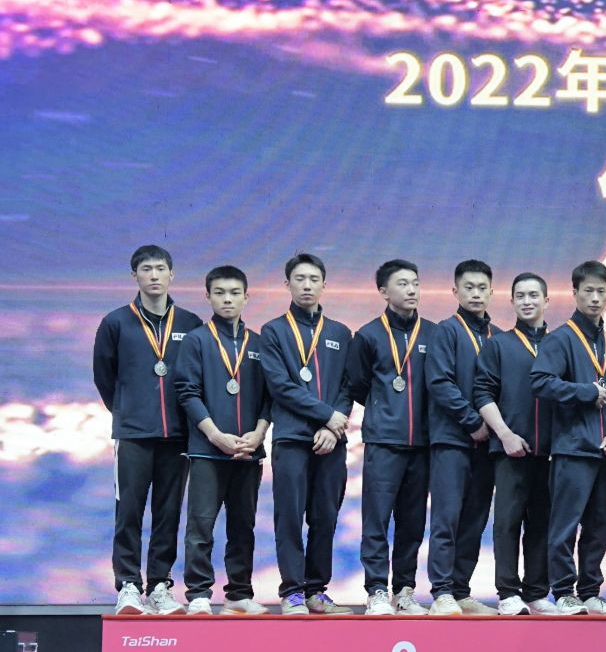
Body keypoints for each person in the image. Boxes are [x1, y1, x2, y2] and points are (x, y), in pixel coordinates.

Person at [93, 243, 203, 614]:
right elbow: (104, 376)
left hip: (178, 436)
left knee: (168, 513)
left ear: (172, 274)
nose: (154, 276)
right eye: (146, 269)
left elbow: (198, 377)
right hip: (133, 435)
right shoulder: (115, 322)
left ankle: (159, 585)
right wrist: (128, 411)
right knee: (129, 512)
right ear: (134, 276)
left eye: (160, 269)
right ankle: (128, 585)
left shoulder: (190, 324)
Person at [258, 252, 353, 615]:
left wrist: (333, 425)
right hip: (292, 439)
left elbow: (348, 385)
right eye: (300, 279)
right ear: (288, 284)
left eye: (314, 279)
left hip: (332, 441)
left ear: (324, 284)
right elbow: (281, 386)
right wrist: (327, 416)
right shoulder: (273, 331)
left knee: (325, 516)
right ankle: (292, 591)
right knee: (290, 515)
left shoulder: (340, 333)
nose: (307, 285)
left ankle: (316, 590)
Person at [531, 261, 606, 615]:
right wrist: (584, 392)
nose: (595, 298)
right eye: (588, 291)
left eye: (601, 291)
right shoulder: (560, 339)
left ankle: (590, 592)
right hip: (572, 449)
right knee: (565, 525)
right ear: (574, 293)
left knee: (599, 527)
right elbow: (540, 382)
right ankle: (564, 592)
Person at [175, 265, 269, 615]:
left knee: (243, 526)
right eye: (219, 293)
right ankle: (199, 593)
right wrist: (214, 435)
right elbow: (187, 392)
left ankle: (239, 593)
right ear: (208, 297)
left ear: (246, 297)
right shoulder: (197, 340)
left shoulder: (258, 343)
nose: (227, 299)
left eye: (234, 293)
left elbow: (270, 395)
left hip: (248, 451)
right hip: (207, 452)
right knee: (201, 526)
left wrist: (259, 433)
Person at [345, 259, 434, 615]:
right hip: (383, 442)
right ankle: (377, 590)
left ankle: (405, 591)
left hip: (422, 443)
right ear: (383, 291)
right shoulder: (368, 335)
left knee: (413, 522)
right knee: (377, 520)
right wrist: (385, 409)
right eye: (402, 284)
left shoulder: (433, 334)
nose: (411, 290)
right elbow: (357, 384)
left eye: (415, 283)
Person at [475, 271, 556, 615]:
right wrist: (505, 434)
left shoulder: (560, 343)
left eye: (533, 295)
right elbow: (482, 393)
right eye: (520, 295)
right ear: (511, 301)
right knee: (507, 522)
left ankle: (537, 591)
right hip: (509, 449)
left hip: (551, 452)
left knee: (542, 523)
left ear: (546, 300)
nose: (527, 301)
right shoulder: (498, 344)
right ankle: (508, 592)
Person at [425, 259, 497, 615]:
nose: (476, 294)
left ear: (492, 292)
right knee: (447, 517)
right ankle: (441, 591)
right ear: (455, 291)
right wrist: (471, 421)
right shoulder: (446, 331)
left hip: (487, 445)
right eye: (469, 287)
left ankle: (461, 590)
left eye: (482, 288)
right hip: (452, 440)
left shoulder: (498, 336)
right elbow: (439, 382)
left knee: (475, 519)